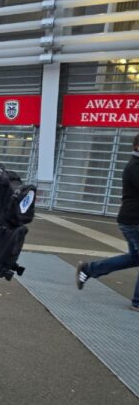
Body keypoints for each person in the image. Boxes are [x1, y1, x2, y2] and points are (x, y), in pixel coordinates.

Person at [77, 132, 139, 313]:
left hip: (131, 220)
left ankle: (89, 269)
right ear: (137, 146)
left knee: (134, 258)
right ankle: (137, 302)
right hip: (134, 220)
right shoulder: (134, 167)